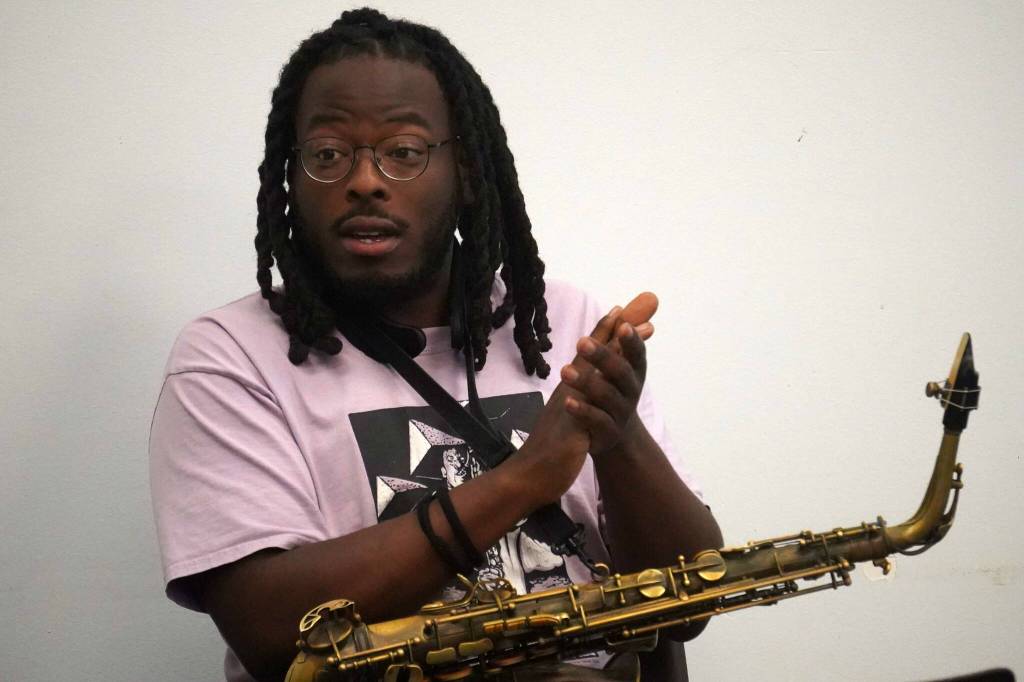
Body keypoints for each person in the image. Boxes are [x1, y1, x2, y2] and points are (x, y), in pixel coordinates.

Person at [149, 8, 722, 681]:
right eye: (329, 153)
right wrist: (522, 479)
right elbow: (270, 630)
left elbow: (688, 607)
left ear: (467, 172)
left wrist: (618, 433)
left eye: (404, 150)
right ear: (291, 178)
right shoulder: (231, 357)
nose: (365, 180)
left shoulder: (565, 325)